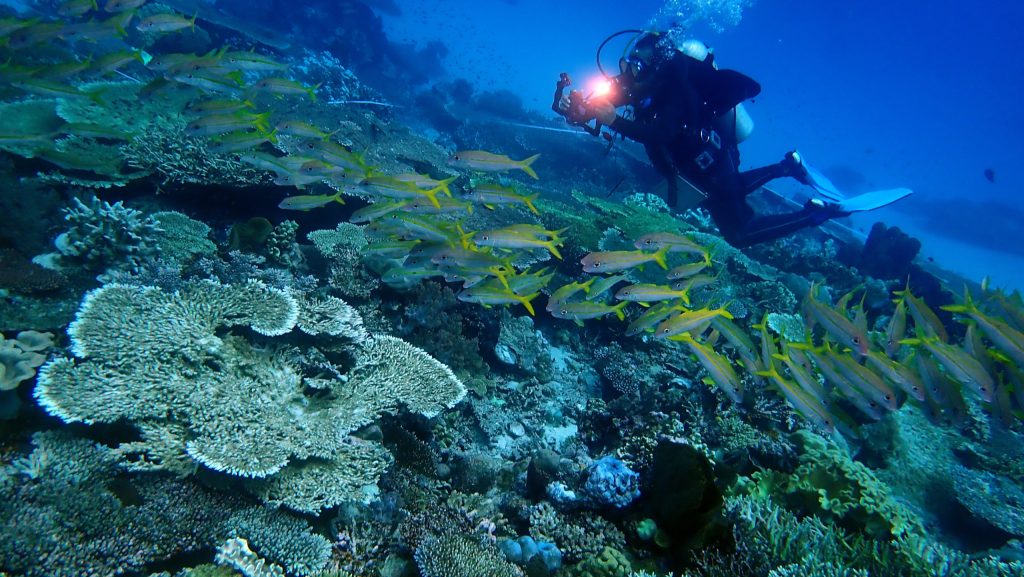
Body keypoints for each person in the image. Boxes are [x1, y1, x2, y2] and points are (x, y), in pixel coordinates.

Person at [575, 32, 849, 248]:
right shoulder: (646, 87)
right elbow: (615, 100)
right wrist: (580, 109)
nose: (628, 73)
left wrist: (614, 120)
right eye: (628, 64)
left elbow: (662, 134)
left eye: (636, 65)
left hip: (710, 162)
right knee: (726, 190)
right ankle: (786, 167)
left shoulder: (674, 91)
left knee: (739, 234)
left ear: (654, 65)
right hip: (707, 165)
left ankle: (814, 214)